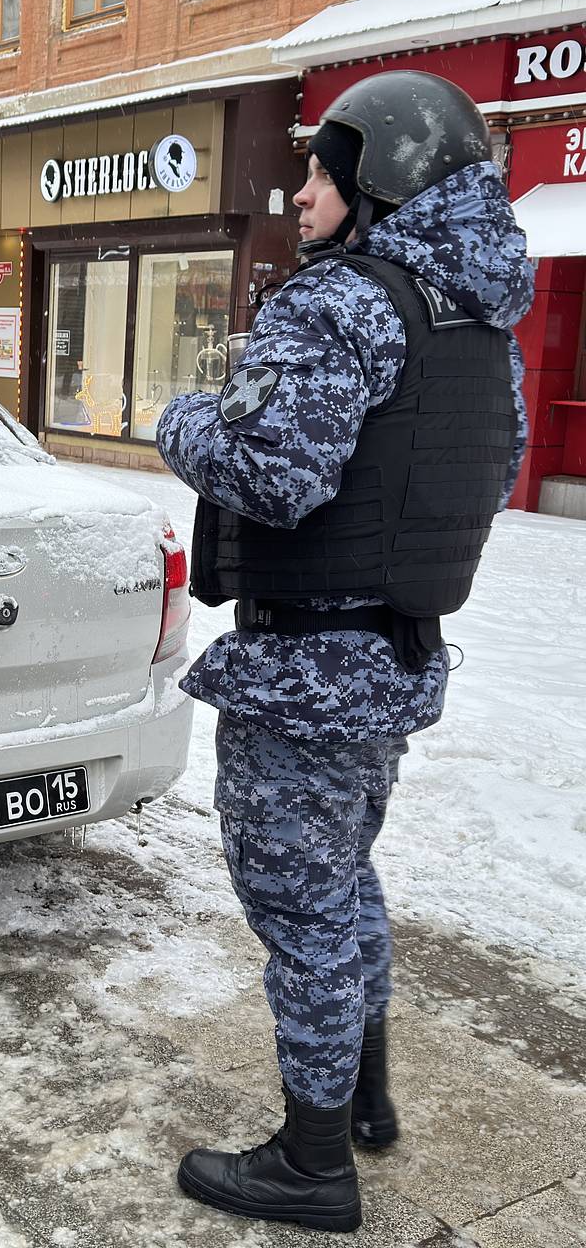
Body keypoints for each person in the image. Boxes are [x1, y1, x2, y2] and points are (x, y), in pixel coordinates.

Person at [156, 71, 532, 1234]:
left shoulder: (339, 302)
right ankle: (360, 1094)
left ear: (381, 180)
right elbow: (493, 464)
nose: (302, 190)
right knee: (343, 881)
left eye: (324, 170)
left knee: (300, 911)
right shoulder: (472, 319)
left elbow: (272, 474)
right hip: (388, 660)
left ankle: (311, 1162)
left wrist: (181, 418)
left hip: (304, 675)